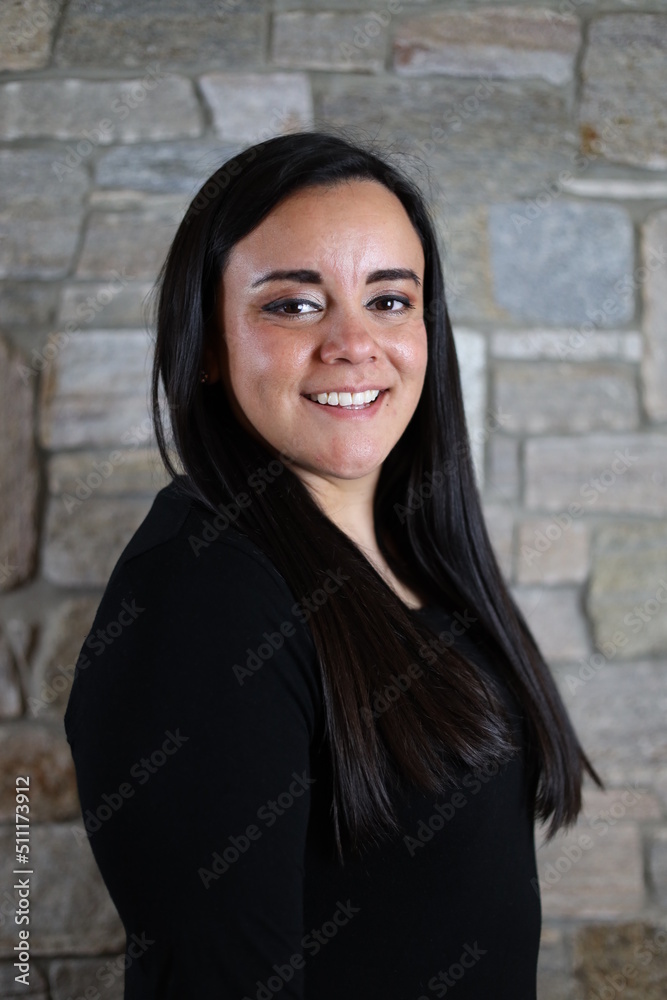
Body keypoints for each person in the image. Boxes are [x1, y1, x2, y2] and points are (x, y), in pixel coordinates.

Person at [64, 130, 602, 999]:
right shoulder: (201, 602)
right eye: (294, 305)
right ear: (206, 342)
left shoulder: (412, 550)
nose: (355, 343)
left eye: (389, 301)